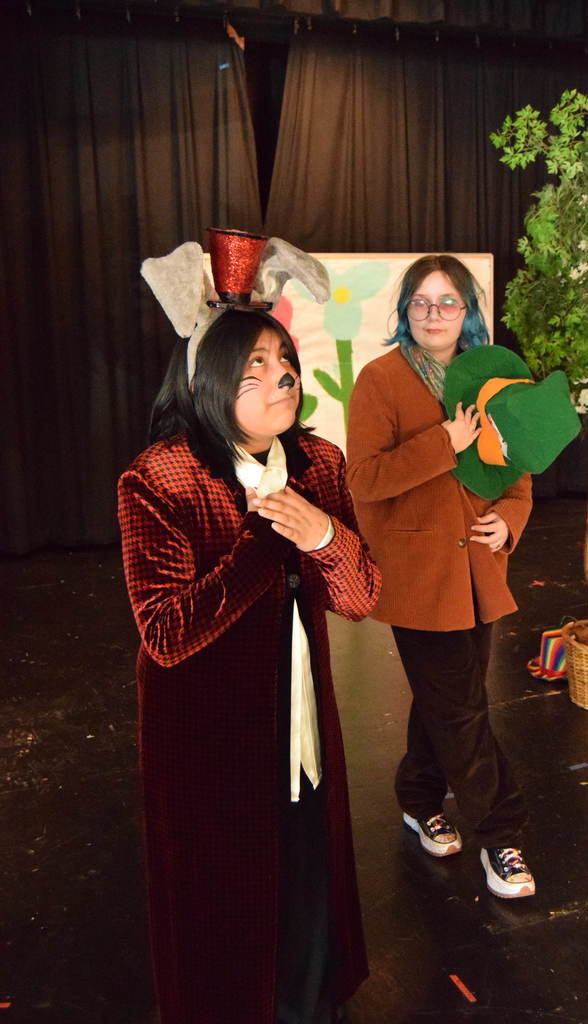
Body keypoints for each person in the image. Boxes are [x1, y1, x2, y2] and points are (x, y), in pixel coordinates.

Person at [118, 308, 381, 1024]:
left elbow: (360, 599)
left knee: (304, 862)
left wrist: (324, 536)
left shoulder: (317, 461)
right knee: (222, 882)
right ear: (208, 381)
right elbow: (166, 633)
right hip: (204, 733)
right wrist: (267, 543)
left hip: (299, 709)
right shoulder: (162, 477)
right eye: (254, 366)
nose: (281, 376)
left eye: (283, 359)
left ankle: (306, 1001)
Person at [346, 254, 535, 900]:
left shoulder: (492, 378)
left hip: (479, 568)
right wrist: (442, 444)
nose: (433, 314)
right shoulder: (379, 380)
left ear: (467, 311)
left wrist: (511, 518)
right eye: (421, 302)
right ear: (405, 310)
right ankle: (501, 835)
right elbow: (364, 479)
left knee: (450, 698)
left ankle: (418, 796)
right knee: (461, 710)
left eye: (447, 301)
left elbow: (517, 467)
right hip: (418, 576)